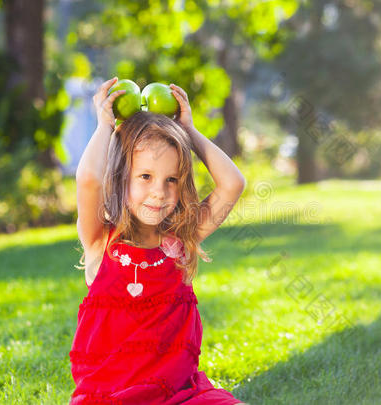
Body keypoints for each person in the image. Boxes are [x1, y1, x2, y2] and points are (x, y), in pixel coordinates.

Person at [69, 77, 248, 404]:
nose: (159, 192)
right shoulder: (100, 243)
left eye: (171, 180)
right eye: (145, 177)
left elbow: (232, 184)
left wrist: (188, 132)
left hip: (180, 395)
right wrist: (104, 127)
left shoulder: (181, 239)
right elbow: (89, 179)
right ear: (122, 176)